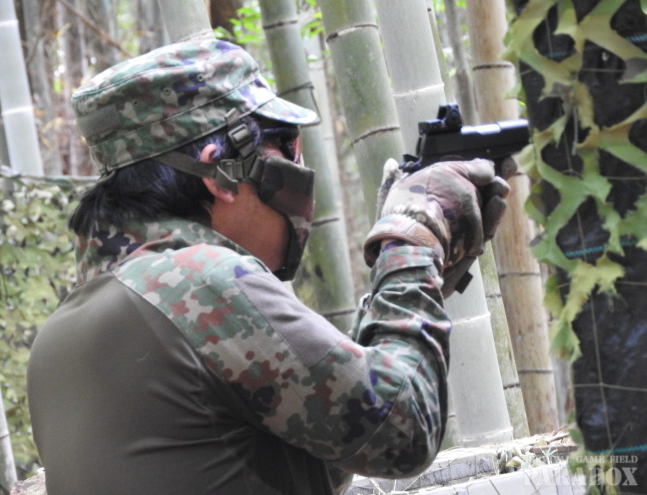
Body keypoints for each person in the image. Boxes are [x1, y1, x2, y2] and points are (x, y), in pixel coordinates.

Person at [27, 39, 511, 495]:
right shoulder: (200, 281)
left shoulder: (65, 332)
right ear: (220, 172)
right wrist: (411, 241)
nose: (299, 166)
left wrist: (405, 275)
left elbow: (326, 444)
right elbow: (401, 431)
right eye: (286, 147)